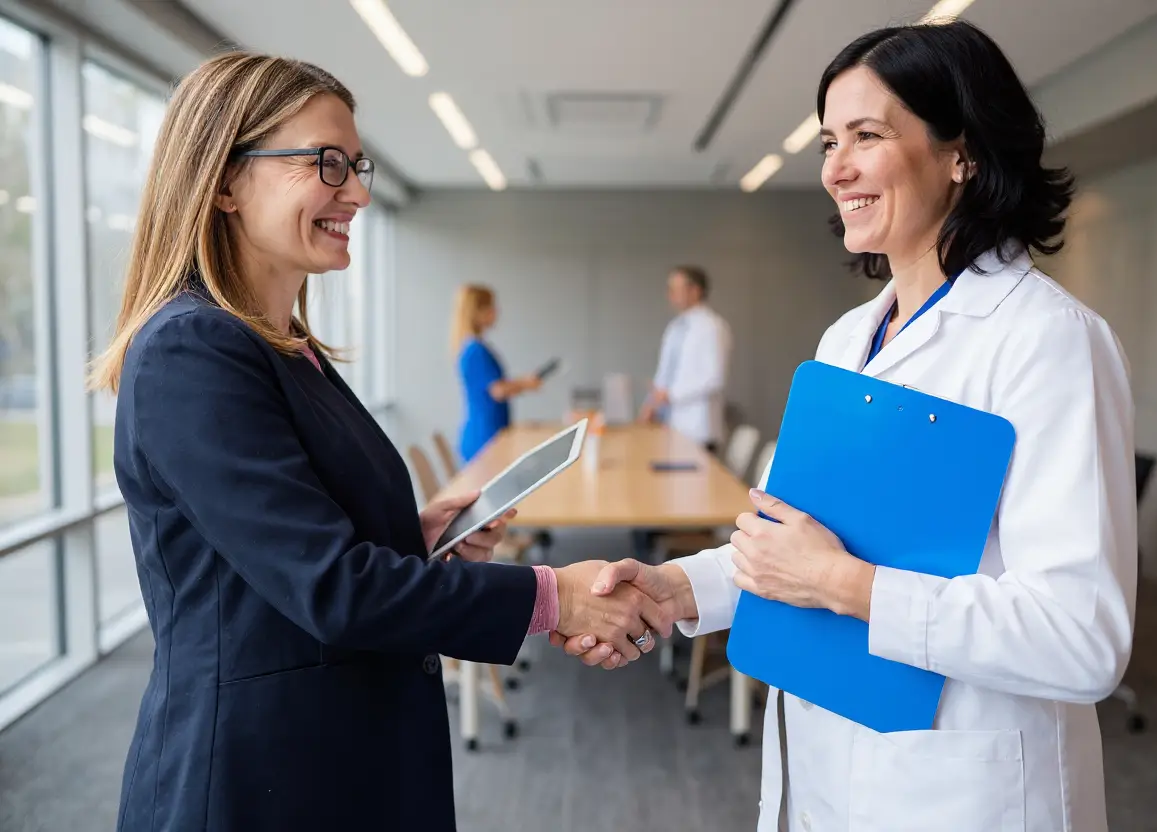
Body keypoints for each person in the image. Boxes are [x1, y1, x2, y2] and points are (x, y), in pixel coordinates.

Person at [558, 20, 1136, 832]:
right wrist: (676, 587)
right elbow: (797, 545)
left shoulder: (1047, 339)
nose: (836, 168)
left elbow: (1082, 638)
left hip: (963, 790)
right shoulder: (847, 340)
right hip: (826, 766)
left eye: (868, 135)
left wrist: (843, 585)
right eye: (829, 141)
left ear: (960, 153)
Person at [88, 53, 671, 832]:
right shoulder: (191, 351)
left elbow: (291, 546)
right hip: (254, 779)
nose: (357, 191)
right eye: (327, 163)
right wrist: (554, 597)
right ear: (224, 181)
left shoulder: (287, 346)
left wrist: (415, 536)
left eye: (355, 165)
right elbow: (332, 587)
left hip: (337, 753)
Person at [638, 265, 732, 453]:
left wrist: (670, 395)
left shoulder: (712, 327)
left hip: (699, 429)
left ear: (695, 291)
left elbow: (714, 378)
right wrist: (652, 403)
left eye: (675, 288)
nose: (670, 294)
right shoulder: (676, 327)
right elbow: (665, 373)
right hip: (672, 425)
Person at [452, 284, 541, 463]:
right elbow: (498, 390)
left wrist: (522, 383)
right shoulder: (476, 350)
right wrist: (525, 383)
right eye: (491, 306)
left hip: (489, 434)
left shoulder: (473, 347)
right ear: (477, 311)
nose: (496, 311)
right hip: (484, 438)